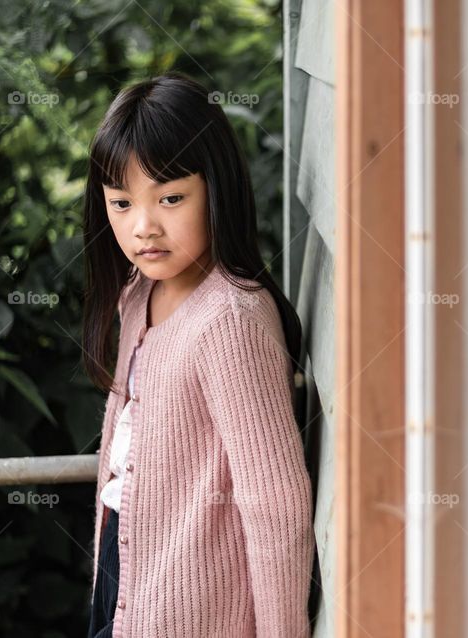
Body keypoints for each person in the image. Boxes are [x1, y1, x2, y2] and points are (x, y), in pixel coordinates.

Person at [81, 72, 314, 637]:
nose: (144, 228)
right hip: (125, 567)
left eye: (170, 198)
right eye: (121, 203)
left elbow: (275, 503)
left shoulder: (229, 321)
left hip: (194, 607)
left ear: (216, 188)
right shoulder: (139, 293)